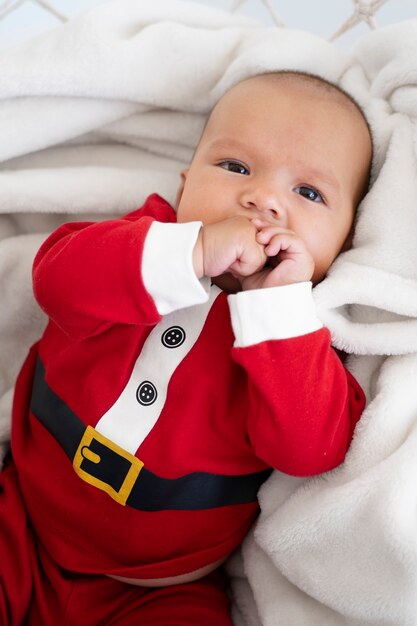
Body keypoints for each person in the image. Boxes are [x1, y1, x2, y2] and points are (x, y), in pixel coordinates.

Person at [0, 71, 372, 625]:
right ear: (184, 183)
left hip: (157, 591)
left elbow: (309, 451)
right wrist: (190, 251)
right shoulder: (140, 245)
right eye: (235, 167)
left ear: (344, 241)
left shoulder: (297, 337)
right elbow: (56, 281)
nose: (263, 199)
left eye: (309, 193)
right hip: (20, 517)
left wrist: (278, 308)